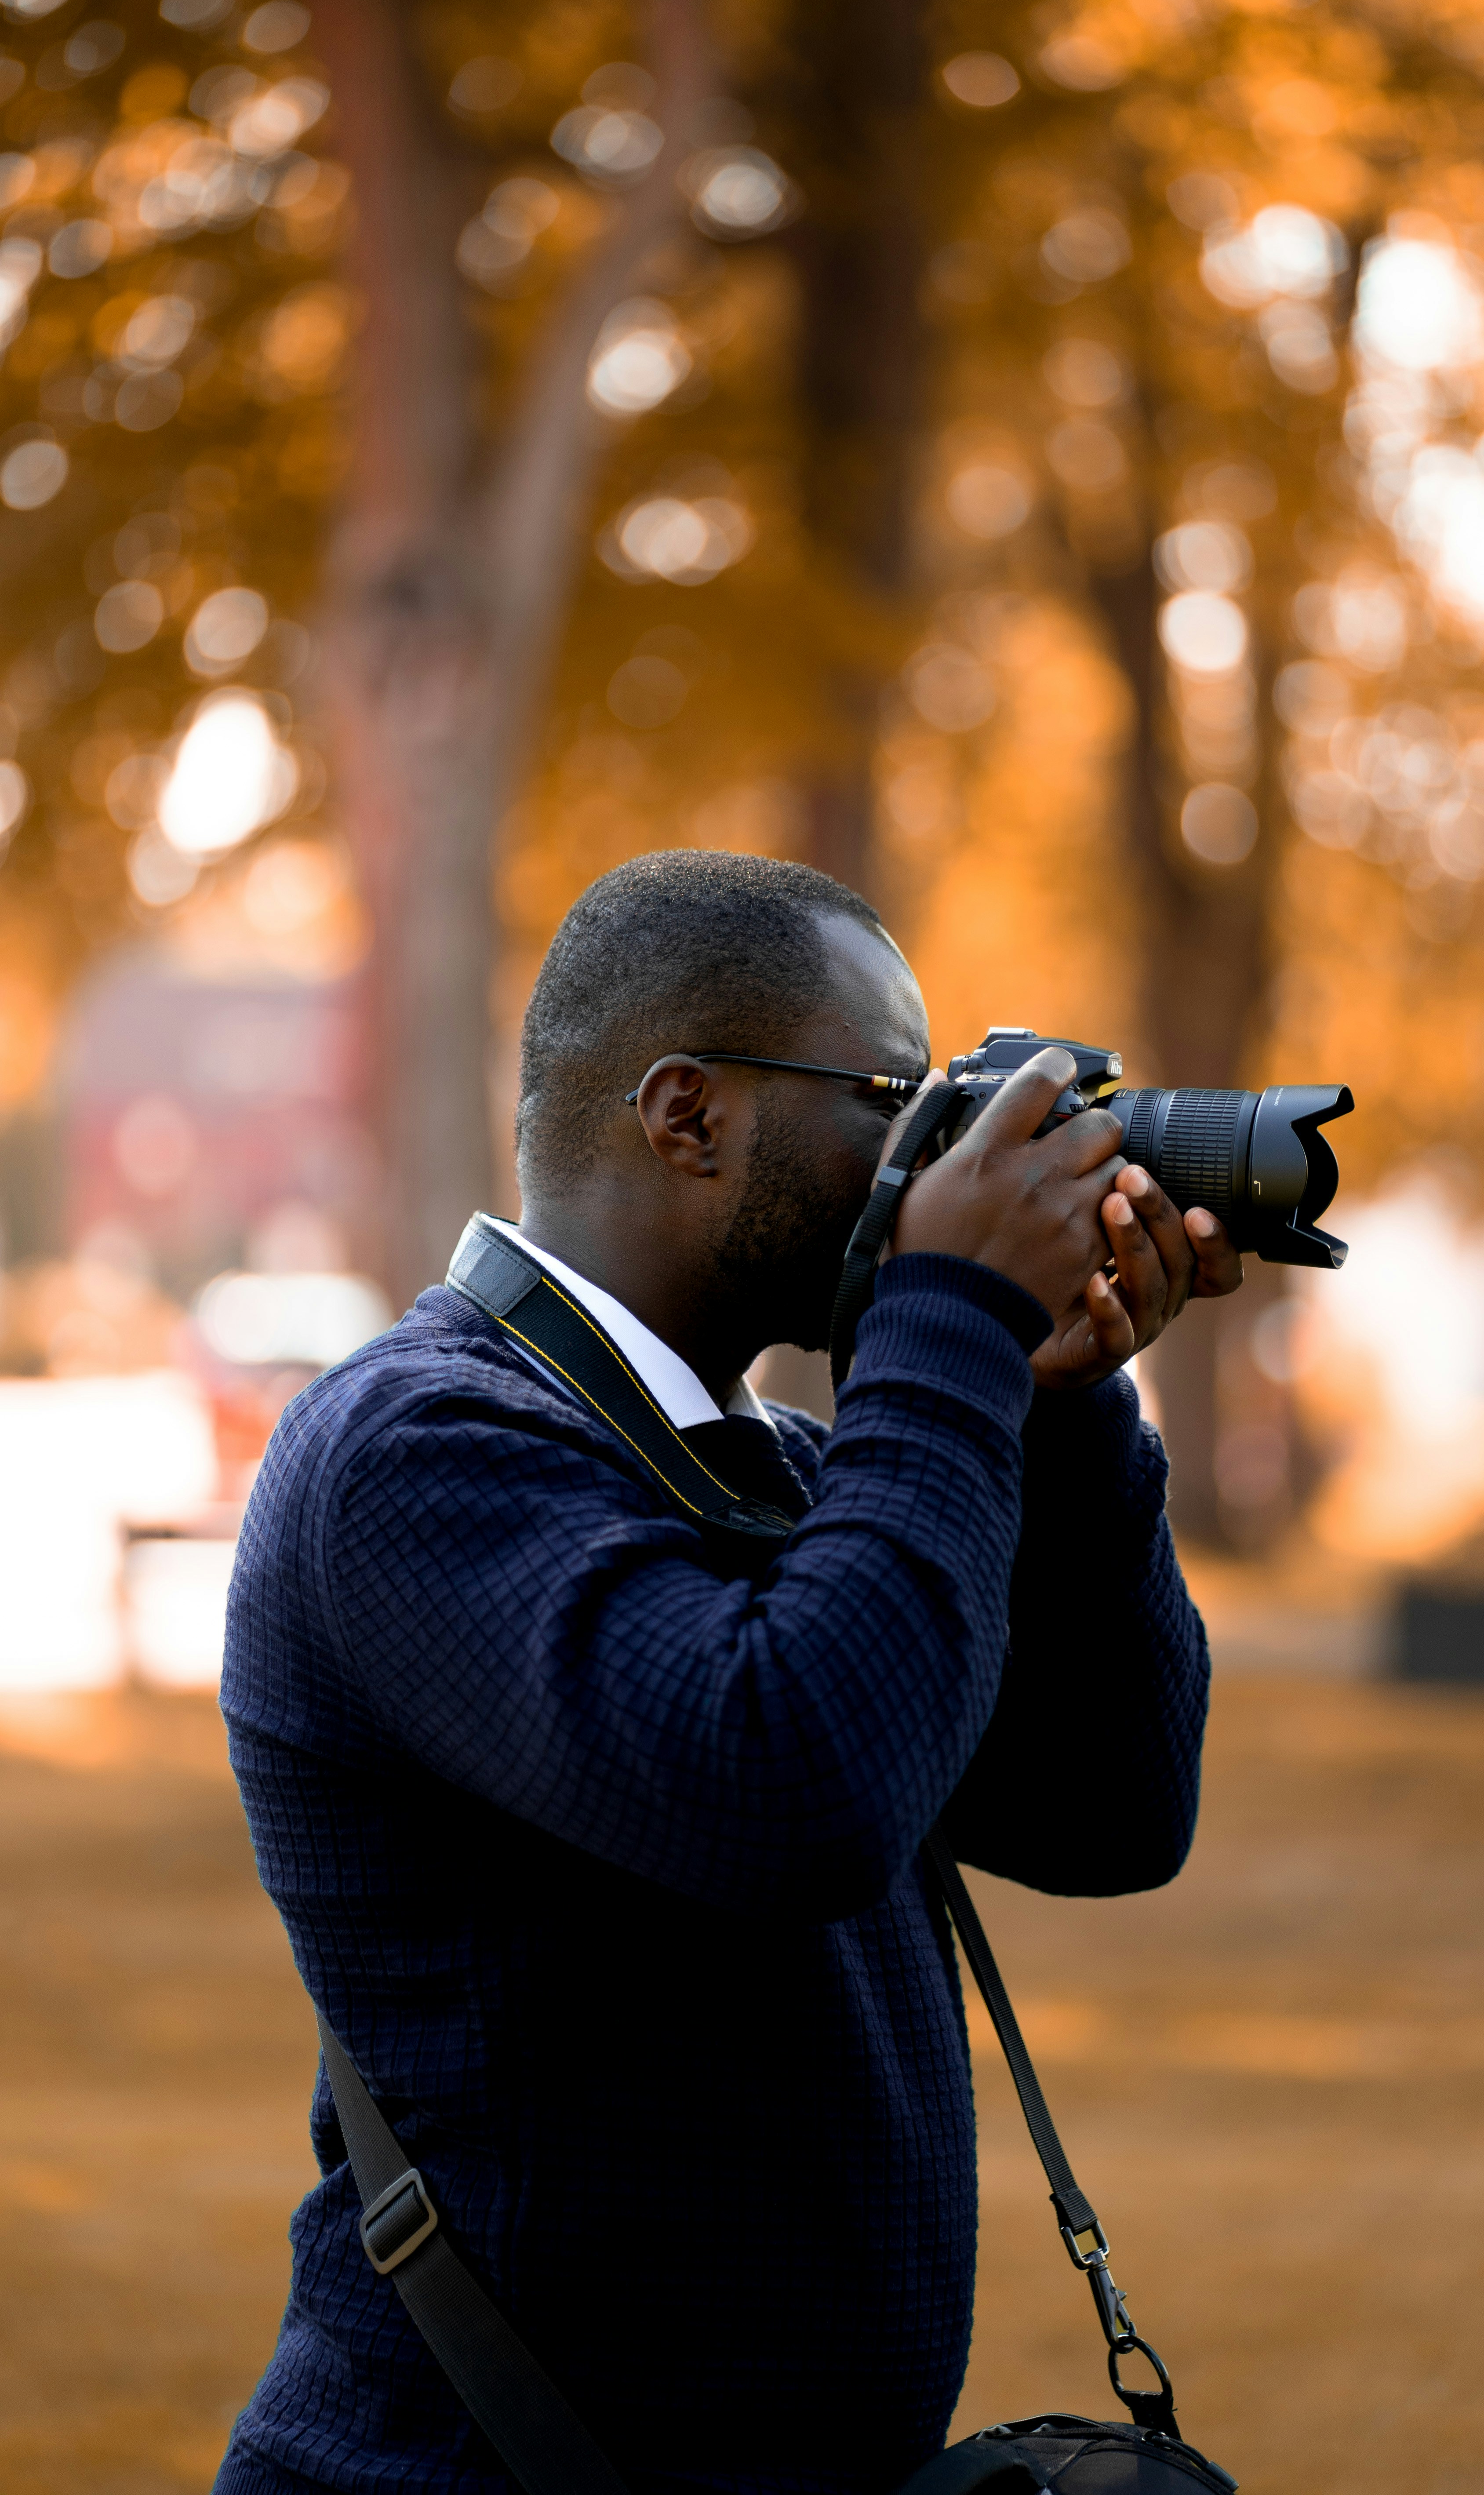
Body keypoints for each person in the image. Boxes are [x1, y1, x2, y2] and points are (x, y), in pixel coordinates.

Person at [215, 850, 1240, 2495]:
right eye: (895, 1099)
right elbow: (794, 1789)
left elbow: (1112, 1810)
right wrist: (952, 1317)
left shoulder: (782, 1464)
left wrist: (1055, 1403)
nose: (936, 1156)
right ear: (686, 1116)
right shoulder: (410, 1446)